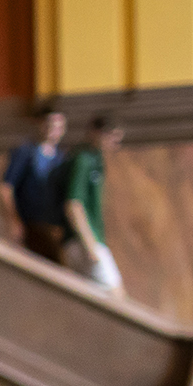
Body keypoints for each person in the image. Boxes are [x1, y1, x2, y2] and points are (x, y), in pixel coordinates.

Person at [60, 118, 125, 296]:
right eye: (112, 138)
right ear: (98, 133)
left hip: (89, 239)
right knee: (116, 296)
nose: (114, 145)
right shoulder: (83, 159)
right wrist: (89, 243)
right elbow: (73, 204)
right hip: (84, 240)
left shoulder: (96, 159)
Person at [0, 108, 70, 263]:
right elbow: (5, 188)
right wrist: (13, 220)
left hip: (54, 227)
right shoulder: (25, 152)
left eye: (59, 127)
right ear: (40, 124)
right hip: (30, 224)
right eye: (50, 125)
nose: (54, 131)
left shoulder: (62, 158)